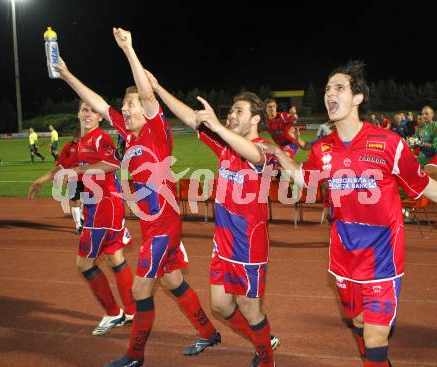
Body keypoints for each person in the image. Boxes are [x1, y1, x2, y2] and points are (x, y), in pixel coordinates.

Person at [53, 28, 220, 367]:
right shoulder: (128, 135)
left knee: (141, 291)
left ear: (145, 109)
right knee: (173, 281)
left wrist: (129, 50)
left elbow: (146, 96)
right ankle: (208, 333)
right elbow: (99, 103)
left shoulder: (157, 130)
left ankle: (135, 355)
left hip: (163, 227)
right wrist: (67, 73)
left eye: (129, 104)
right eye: (125, 105)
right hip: (152, 225)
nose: (124, 109)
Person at [258, 60, 437, 367]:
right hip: (343, 255)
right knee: (357, 320)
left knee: (375, 339)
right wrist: (278, 155)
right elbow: (305, 179)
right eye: (327, 89)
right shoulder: (321, 149)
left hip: (383, 255)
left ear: (358, 97)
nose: (330, 94)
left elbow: (423, 186)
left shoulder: (389, 143)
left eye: (339, 88)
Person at [146, 69, 279, 366]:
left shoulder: (262, 149)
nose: (232, 114)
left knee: (249, 307)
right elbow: (194, 119)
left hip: (249, 245)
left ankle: (266, 357)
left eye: (239, 111)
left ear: (255, 119)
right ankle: (262, 342)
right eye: (231, 110)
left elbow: (255, 156)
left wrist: (219, 127)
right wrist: (158, 89)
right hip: (224, 243)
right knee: (220, 304)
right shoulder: (225, 147)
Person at [29, 100, 136, 337]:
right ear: (78, 113)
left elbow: (112, 163)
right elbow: (62, 166)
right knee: (114, 257)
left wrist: (77, 171)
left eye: (92, 110)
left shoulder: (100, 139)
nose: (87, 114)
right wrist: (42, 180)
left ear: (100, 117)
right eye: (84, 110)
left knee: (84, 264)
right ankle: (131, 311)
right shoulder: (79, 145)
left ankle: (113, 312)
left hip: (103, 208)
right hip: (99, 206)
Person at [56, 129, 84, 233]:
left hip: (87, 177)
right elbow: (60, 162)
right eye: (75, 135)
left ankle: (81, 218)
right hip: (72, 178)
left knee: (85, 201)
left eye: (79, 135)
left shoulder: (88, 147)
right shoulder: (68, 146)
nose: (77, 137)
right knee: (74, 201)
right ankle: (78, 225)